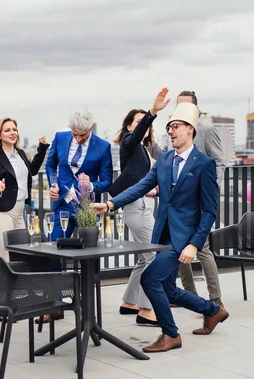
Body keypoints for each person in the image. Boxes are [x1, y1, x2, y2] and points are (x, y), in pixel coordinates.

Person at [92, 92, 229, 352]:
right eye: (169, 128)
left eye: (175, 127)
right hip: (162, 234)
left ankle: (171, 334)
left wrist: (194, 244)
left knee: (149, 279)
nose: (170, 131)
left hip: (183, 238)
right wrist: (111, 204)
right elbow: (142, 185)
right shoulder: (165, 159)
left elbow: (210, 211)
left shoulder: (205, 165)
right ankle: (212, 311)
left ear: (190, 130)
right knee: (168, 288)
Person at [43, 109, 113, 323]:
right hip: (62, 205)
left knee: (87, 257)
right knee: (53, 252)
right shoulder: (60, 137)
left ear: (90, 129)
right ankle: (55, 303)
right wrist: (53, 184)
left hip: (87, 210)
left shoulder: (103, 146)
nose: (77, 138)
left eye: (82, 135)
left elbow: (107, 180)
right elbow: (50, 165)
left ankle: (84, 303)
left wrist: (91, 185)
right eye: (75, 134)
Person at [110, 88, 171, 326]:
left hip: (144, 205)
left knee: (144, 256)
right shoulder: (129, 143)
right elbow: (135, 137)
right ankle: (146, 310)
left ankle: (129, 302)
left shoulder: (145, 151)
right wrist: (152, 112)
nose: (143, 127)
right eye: (137, 123)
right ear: (128, 128)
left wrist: (154, 190)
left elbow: (141, 178)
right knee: (153, 256)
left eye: (144, 123)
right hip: (135, 206)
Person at [173, 91, 225, 306]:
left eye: (184, 105)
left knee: (201, 247)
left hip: (199, 200)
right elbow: (168, 158)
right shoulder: (175, 131)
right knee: (179, 246)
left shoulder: (206, 130)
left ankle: (216, 299)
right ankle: (189, 295)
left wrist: (210, 189)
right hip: (178, 202)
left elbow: (219, 161)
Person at [0, 117, 49, 261]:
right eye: (7, 130)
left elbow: (32, 170)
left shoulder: (20, 154)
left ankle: (19, 284)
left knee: (21, 255)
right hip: (0, 213)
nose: (13, 133)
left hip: (19, 212)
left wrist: (42, 148)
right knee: (5, 256)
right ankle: (2, 284)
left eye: (14, 129)